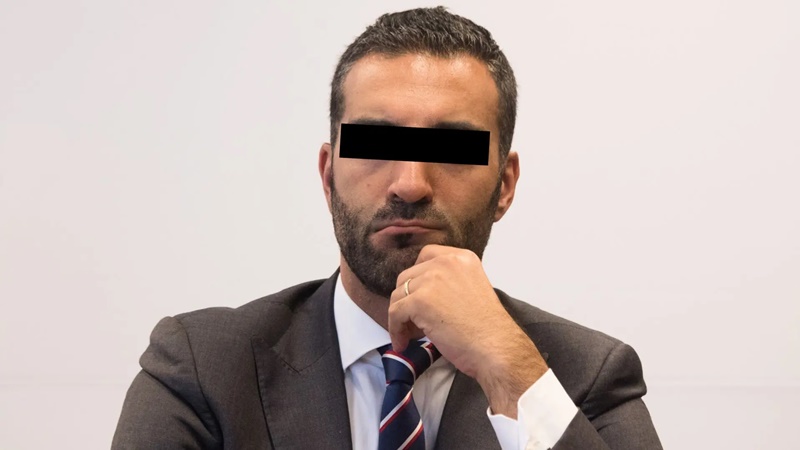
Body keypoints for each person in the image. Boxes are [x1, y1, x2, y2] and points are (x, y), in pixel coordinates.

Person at [112, 6, 662, 449]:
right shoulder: (203, 369)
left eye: (452, 149)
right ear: (328, 175)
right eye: (376, 144)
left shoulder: (585, 378)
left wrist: (509, 371)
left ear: (505, 185)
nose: (410, 184)